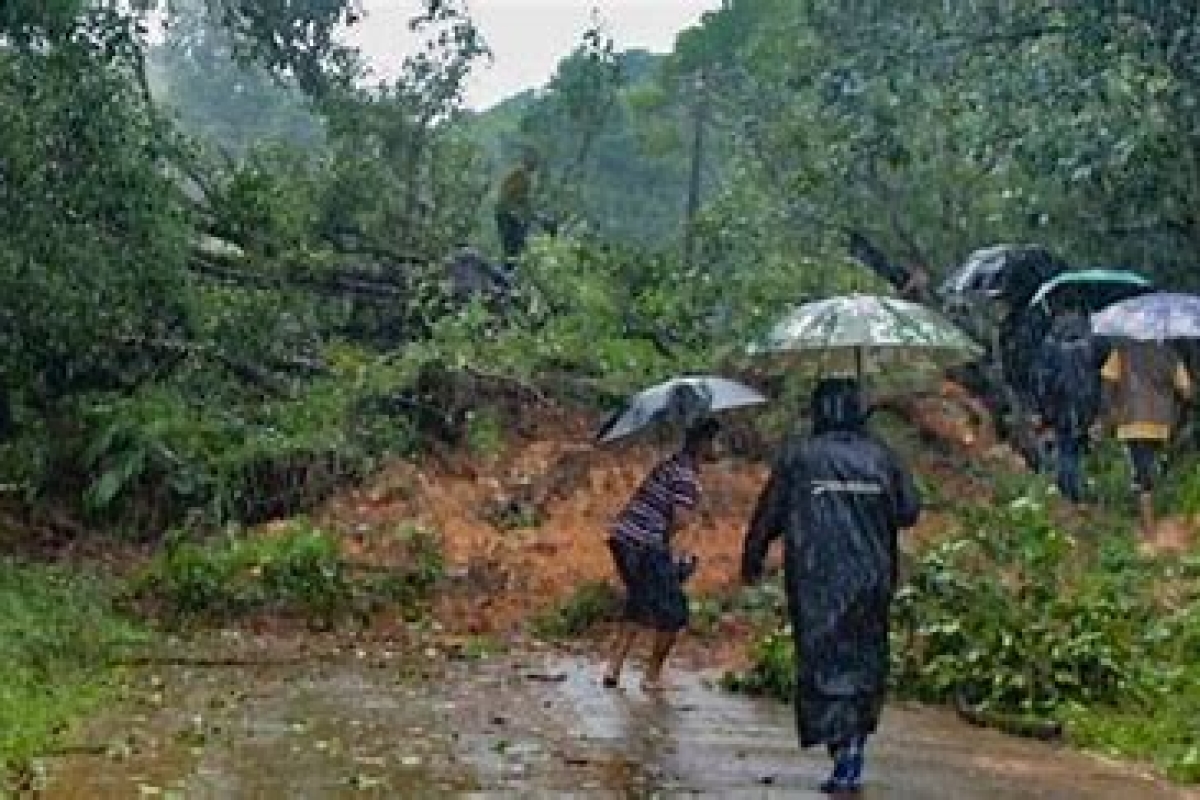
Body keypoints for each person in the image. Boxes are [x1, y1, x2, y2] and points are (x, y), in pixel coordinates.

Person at [741, 378, 920, 796]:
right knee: (864, 659)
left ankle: (842, 749)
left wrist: (752, 559)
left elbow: (768, 514)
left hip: (815, 577)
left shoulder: (800, 458)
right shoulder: (882, 457)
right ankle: (853, 742)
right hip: (872, 577)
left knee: (821, 661)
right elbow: (909, 512)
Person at [603, 417, 720, 692]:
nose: (720, 448)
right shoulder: (686, 476)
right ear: (703, 444)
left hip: (623, 539)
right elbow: (679, 519)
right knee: (674, 612)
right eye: (716, 441)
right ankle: (652, 676)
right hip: (644, 544)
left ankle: (614, 668)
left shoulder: (671, 466)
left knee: (639, 602)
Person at [1101, 340, 1193, 543]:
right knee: (1151, 468)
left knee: (1141, 475)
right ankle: (1157, 518)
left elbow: (1107, 382)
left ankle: (1149, 532)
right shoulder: (1170, 354)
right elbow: (1187, 392)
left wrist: (1110, 413)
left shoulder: (1122, 351)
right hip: (1161, 423)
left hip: (1131, 421)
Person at [1031, 307, 1102, 503]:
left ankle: (1069, 494)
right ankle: (1081, 490)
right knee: (1079, 446)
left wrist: (1041, 410)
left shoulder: (1050, 344)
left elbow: (1043, 380)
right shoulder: (1090, 341)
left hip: (1061, 404)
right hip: (1086, 404)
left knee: (1065, 447)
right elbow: (1097, 375)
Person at [495, 149, 539, 264]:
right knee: (512, 246)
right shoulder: (521, 174)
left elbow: (521, 199)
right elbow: (517, 198)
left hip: (506, 213)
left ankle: (507, 269)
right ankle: (506, 272)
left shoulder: (522, 174)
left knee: (513, 245)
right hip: (506, 213)